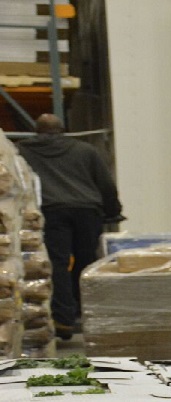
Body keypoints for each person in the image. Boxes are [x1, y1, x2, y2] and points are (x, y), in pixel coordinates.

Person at [17, 113, 123, 340]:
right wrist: (113, 210)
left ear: (37, 131)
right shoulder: (85, 151)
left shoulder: (24, 151)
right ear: (63, 130)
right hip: (87, 211)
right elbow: (105, 183)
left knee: (57, 261)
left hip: (52, 211)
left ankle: (63, 318)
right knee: (87, 261)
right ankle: (87, 313)